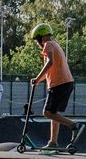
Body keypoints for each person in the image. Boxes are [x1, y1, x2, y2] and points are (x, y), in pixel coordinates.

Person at [29, 23, 82, 151]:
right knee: (54, 114)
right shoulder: (56, 45)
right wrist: (38, 81)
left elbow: (50, 62)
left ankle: (74, 125)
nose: (38, 44)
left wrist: (37, 78)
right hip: (67, 83)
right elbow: (49, 69)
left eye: (37, 40)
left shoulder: (48, 45)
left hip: (59, 84)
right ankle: (53, 142)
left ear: (41, 37)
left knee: (47, 112)